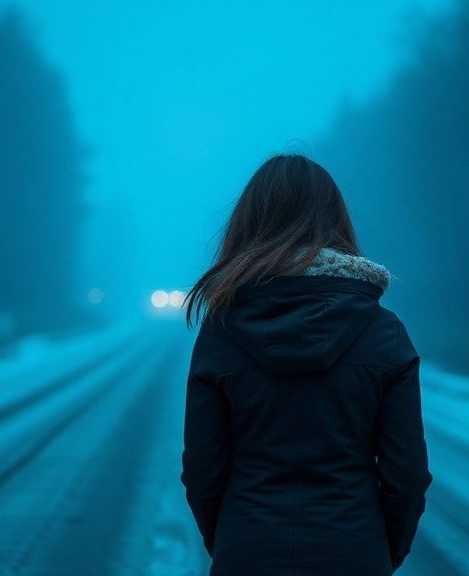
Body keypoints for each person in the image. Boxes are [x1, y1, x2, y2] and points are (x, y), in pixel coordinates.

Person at [180, 153, 433, 576]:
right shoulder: (384, 333)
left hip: (248, 551)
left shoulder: (222, 331)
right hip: (354, 553)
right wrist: (379, 554)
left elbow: (202, 473)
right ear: (338, 222)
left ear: (248, 224)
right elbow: (406, 477)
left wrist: (230, 542)